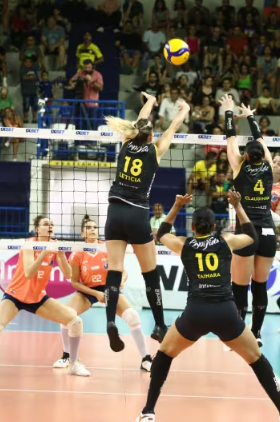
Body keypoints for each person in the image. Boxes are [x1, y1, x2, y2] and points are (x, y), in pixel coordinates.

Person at [135, 191, 280, 422]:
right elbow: (252, 236)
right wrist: (238, 205)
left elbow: (162, 233)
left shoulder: (185, 244)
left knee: (164, 354)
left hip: (196, 314)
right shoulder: (226, 242)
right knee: (256, 358)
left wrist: (176, 206)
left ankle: (148, 412)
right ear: (214, 226)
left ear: (193, 226)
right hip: (226, 313)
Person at [103, 92, 190, 352]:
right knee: (150, 274)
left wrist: (150, 102)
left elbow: (138, 123)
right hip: (138, 214)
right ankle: (160, 325)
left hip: (114, 213)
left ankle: (109, 321)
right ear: (151, 136)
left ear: (133, 133)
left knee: (114, 271)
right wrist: (183, 110)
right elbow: (173, 128)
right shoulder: (155, 150)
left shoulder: (126, 144)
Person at [0, 216, 90, 377]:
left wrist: (60, 255)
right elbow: (29, 272)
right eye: (46, 224)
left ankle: (73, 363)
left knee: (75, 321)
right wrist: (45, 251)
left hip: (37, 298)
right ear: (38, 229)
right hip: (15, 296)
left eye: (51, 224)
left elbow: (68, 275)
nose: (50, 226)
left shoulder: (54, 247)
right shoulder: (29, 244)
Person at [53, 216, 152, 371]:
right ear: (82, 234)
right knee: (67, 315)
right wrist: (95, 294)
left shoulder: (106, 248)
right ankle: (67, 356)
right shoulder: (78, 253)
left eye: (95, 227)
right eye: (89, 228)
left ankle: (146, 359)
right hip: (87, 290)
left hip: (109, 288)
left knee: (133, 316)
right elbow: (74, 283)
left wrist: (121, 279)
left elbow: (123, 272)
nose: (93, 230)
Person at [221, 94, 275, 347]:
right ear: (262, 156)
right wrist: (251, 116)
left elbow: (230, 139)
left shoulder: (238, 166)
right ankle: (257, 333)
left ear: (245, 156)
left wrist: (229, 113)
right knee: (260, 285)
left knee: (239, 287)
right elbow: (261, 141)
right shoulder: (270, 167)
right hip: (267, 232)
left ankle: (240, 334)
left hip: (246, 231)